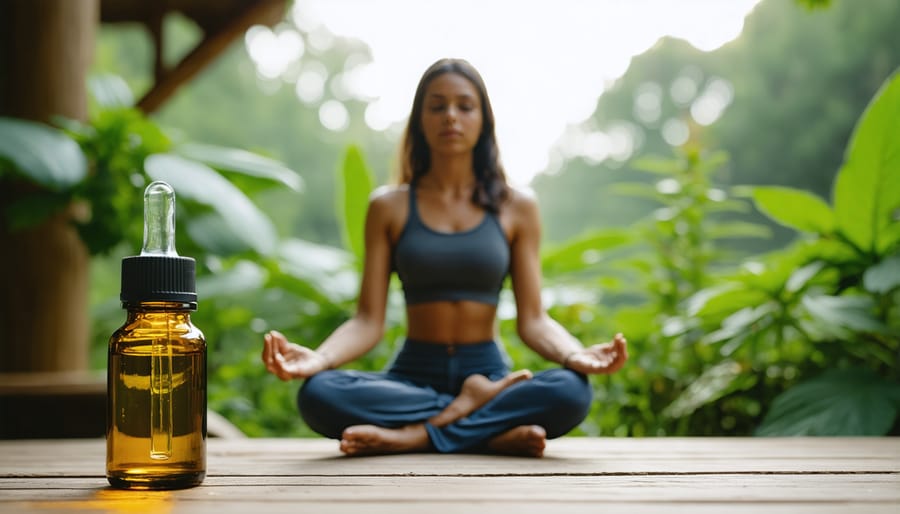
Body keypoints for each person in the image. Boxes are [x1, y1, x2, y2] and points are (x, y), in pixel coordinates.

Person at [262, 57, 628, 457]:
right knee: (319, 393)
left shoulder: (516, 206)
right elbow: (368, 320)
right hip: (412, 375)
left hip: (488, 371)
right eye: (437, 106)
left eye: (464, 106)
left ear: (483, 120)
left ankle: (418, 435)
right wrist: (319, 358)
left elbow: (534, 320)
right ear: (420, 119)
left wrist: (575, 354)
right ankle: (485, 427)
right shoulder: (389, 207)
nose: (450, 116)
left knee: (571, 390)